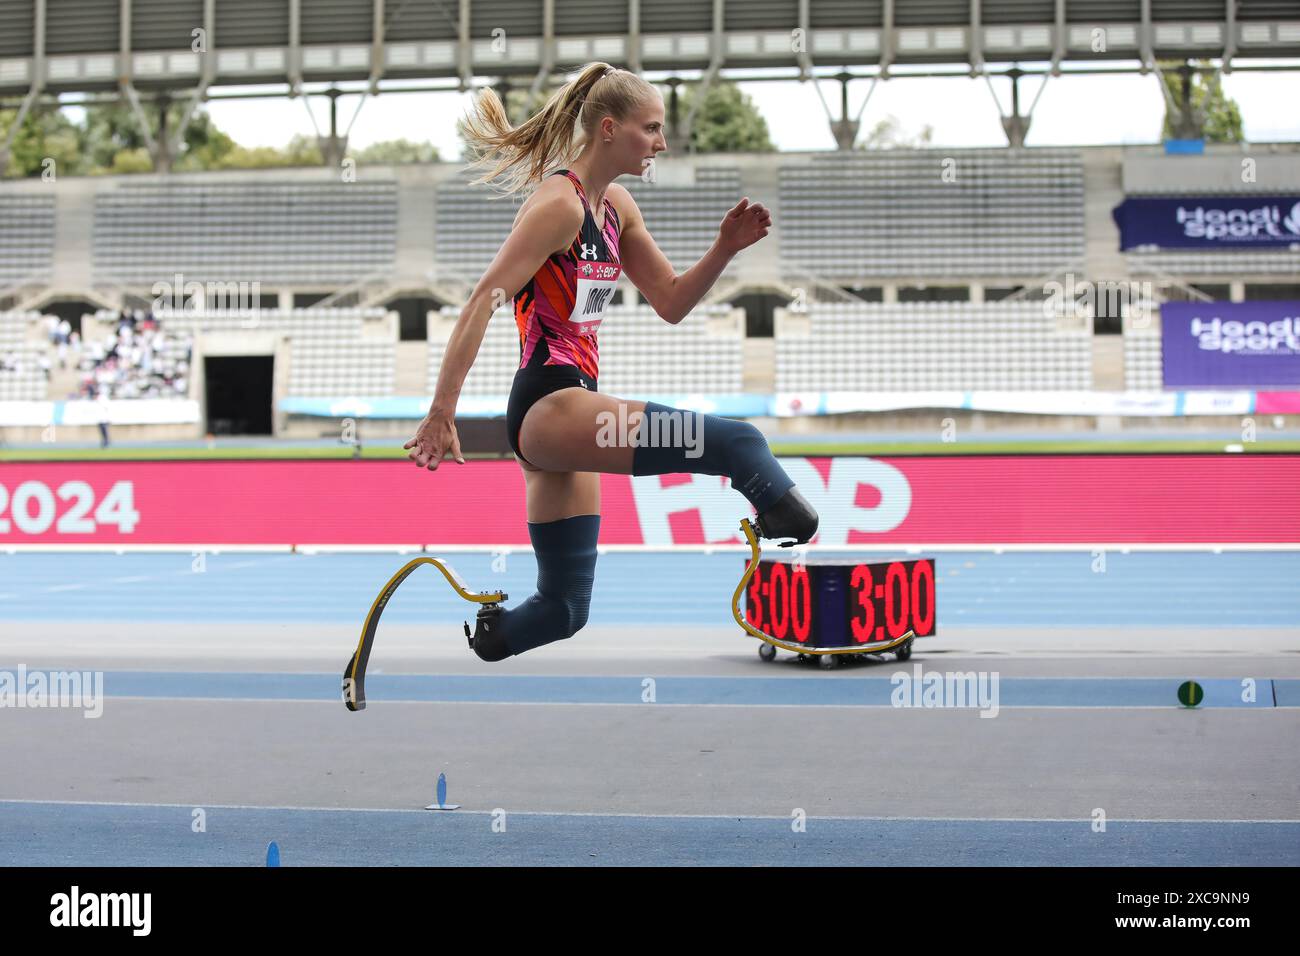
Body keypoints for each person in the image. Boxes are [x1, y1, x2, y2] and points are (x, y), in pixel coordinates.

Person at [404, 62, 817, 663]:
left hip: (575, 413)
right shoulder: (560, 207)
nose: (661, 142)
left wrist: (724, 248)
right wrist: (443, 412)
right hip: (549, 405)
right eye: (650, 129)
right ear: (606, 128)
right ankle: (796, 523)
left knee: (564, 609)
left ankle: (491, 637)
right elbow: (483, 299)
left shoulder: (616, 208)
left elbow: (671, 301)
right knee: (739, 442)